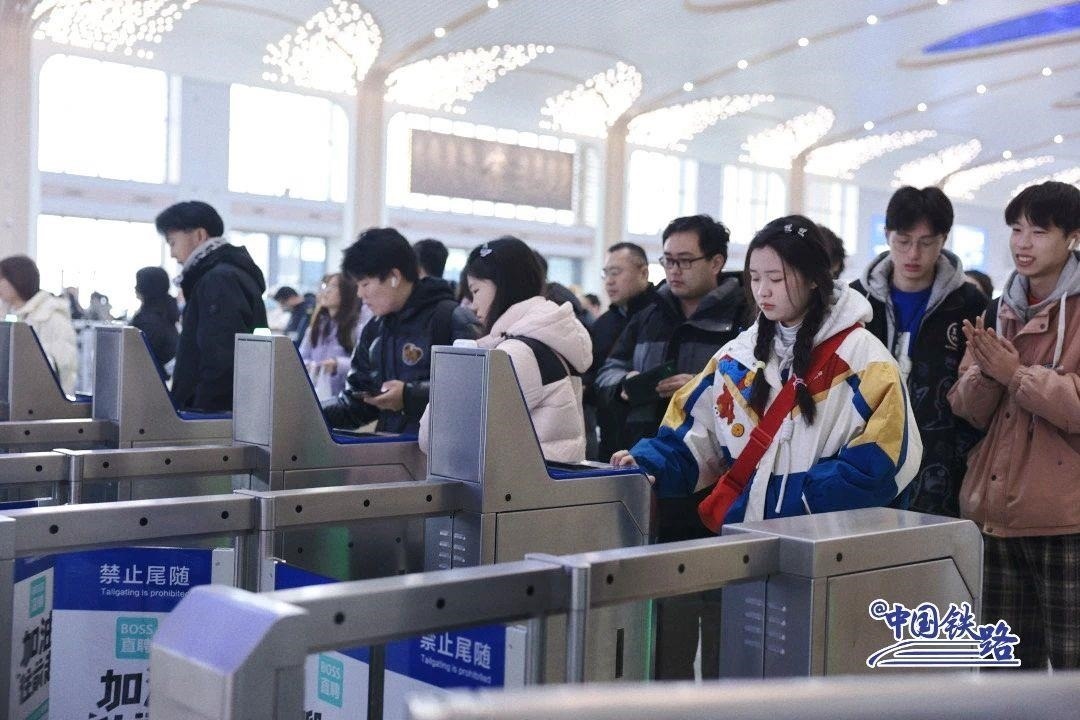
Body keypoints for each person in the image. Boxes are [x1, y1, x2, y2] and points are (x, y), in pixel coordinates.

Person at [595, 214, 747, 681]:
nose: (674, 270)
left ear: (716, 262)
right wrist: (637, 385)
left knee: (722, 620)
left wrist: (703, 387)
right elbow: (605, 375)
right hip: (654, 483)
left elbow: (760, 391)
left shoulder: (744, 317)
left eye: (685, 260)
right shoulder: (649, 313)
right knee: (665, 627)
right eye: (668, 260)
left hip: (718, 491)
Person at [948, 181, 1080, 670]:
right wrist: (986, 374)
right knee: (1003, 674)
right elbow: (966, 409)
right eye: (1016, 229)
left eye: (1039, 232)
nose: (1023, 243)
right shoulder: (998, 308)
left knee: (1070, 674)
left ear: (1073, 237)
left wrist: (1015, 374)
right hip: (995, 514)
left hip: (1066, 519)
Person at [851, 186, 986, 518]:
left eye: (926, 243)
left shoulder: (969, 305)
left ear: (943, 240)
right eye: (903, 241)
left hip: (941, 463)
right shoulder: (855, 303)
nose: (913, 254)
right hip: (862, 455)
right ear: (887, 235)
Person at [419, 237, 592, 461]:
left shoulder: (516, 354)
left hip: (520, 480)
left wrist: (455, 372)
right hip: (540, 477)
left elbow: (439, 438)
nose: (473, 305)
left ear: (502, 286)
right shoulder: (543, 338)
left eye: (476, 291)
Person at [322, 227, 479, 434]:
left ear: (394, 276)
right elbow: (356, 404)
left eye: (365, 284)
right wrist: (309, 412)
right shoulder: (374, 329)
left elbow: (472, 393)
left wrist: (409, 396)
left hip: (440, 449)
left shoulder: (451, 318)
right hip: (391, 448)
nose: (360, 294)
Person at [155, 200, 267, 413]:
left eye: (172, 242)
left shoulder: (219, 280)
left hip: (211, 415)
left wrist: (201, 416)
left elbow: (220, 359)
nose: (172, 254)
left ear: (199, 235)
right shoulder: (220, 275)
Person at [589, 242, 657, 460]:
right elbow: (594, 379)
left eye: (616, 272)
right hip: (610, 441)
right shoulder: (602, 325)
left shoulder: (661, 315)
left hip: (653, 442)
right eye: (606, 273)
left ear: (643, 273)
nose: (609, 281)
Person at [0, 255, 78, 394]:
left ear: (16, 279)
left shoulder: (52, 316)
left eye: (1, 278)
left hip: (44, 401)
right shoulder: (15, 315)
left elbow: (63, 367)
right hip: (19, 397)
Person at [299, 273, 367, 400]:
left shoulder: (357, 327)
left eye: (333, 286)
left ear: (347, 292)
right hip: (315, 394)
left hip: (345, 398)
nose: (326, 291)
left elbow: (364, 365)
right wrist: (309, 365)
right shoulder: (317, 326)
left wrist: (337, 365)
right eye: (326, 286)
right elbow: (302, 356)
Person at [130, 266, 180, 380]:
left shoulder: (148, 321)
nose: (135, 287)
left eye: (138, 283)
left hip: (149, 382)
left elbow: (139, 360)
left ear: (146, 287)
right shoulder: (165, 314)